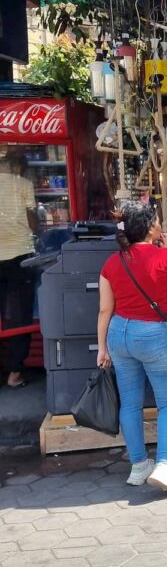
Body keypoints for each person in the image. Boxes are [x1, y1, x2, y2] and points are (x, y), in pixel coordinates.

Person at [98, 202, 167, 494]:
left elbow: (105, 310)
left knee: (130, 403)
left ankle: (139, 466)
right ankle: (165, 465)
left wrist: (102, 347)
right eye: (156, 221)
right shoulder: (164, 257)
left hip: (118, 333)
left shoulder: (112, 262)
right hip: (153, 335)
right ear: (151, 227)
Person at [0, 151, 38, 389]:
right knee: (19, 315)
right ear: (17, 167)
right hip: (19, 256)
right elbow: (32, 220)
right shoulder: (23, 184)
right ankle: (14, 373)